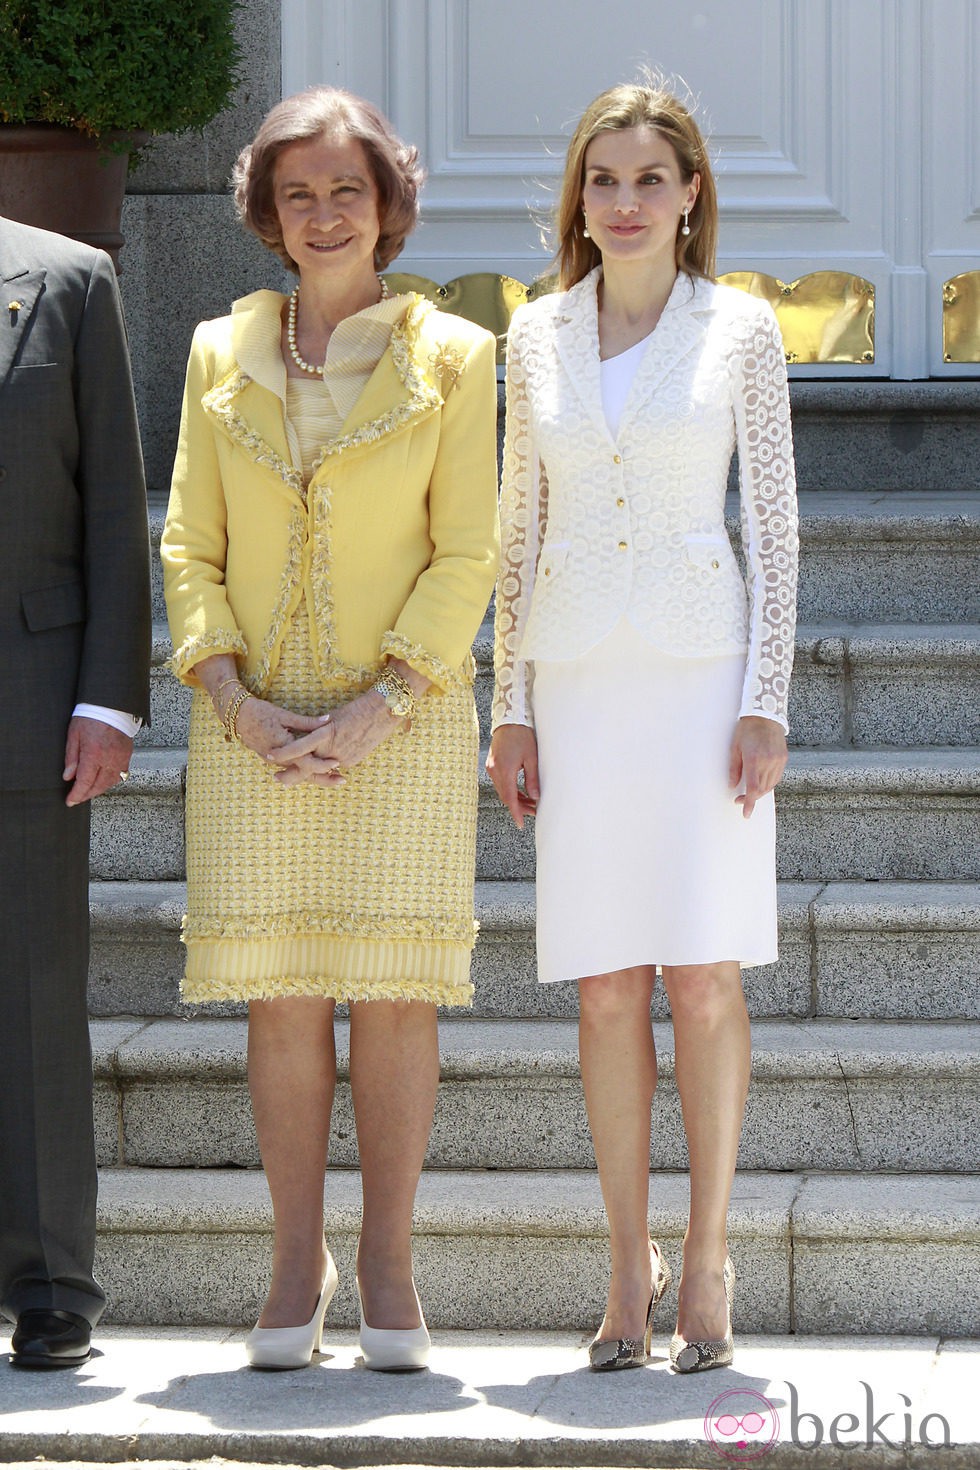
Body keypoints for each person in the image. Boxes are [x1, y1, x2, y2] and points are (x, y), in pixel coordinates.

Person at [161, 87, 499, 1372]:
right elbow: (189, 540)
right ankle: (294, 1263)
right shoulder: (212, 353)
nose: (321, 215)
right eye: (295, 193)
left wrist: (384, 705)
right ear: (264, 209)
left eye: (345, 191)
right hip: (247, 720)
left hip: (400, 714)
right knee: (283, 998)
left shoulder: (459, 357)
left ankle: (390, 1266)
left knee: (398, 993)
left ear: (388, 205)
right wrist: (231, 697)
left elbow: (467, 550)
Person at [488, 80, 798, 1374]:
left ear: (689, 197)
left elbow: (772, 528)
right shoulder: (532, 337)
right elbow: (516, 533)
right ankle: (628, 1265)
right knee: (608, 988)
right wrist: (505, 704)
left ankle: (710, 1255)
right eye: (601, 179)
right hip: (577, 680)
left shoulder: (742, 331)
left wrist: (765, 695)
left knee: (705, 981)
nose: (623, 201)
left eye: (648, 179)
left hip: (697, 678)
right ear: (578, 198)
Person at [0, 216, 151, 1368]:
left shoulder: (66, 278)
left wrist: (110, 696)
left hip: (32, 696)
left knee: (38, 1000)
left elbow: (113, 505)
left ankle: (51, 1288)